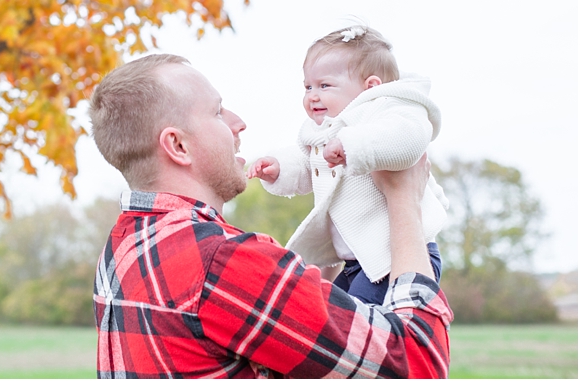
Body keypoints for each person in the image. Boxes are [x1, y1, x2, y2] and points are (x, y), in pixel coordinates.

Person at [89, 53, 452, 378]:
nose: (238, 122)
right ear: (178, 146)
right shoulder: (225, 263)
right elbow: (418, 363)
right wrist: (403, 199)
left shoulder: (121, 249)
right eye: (217, 112)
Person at [248, 19, 449, 305]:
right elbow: (310, 161)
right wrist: (278, 168)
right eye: (307, 86)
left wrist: (354, 146)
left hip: (396, 255)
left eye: (325, 85)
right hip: (357, 261)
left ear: (370, 87)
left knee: (355, 326)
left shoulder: (392, 109)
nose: (312, 95)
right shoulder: (325, 132)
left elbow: (408, 139)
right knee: (328, 314)